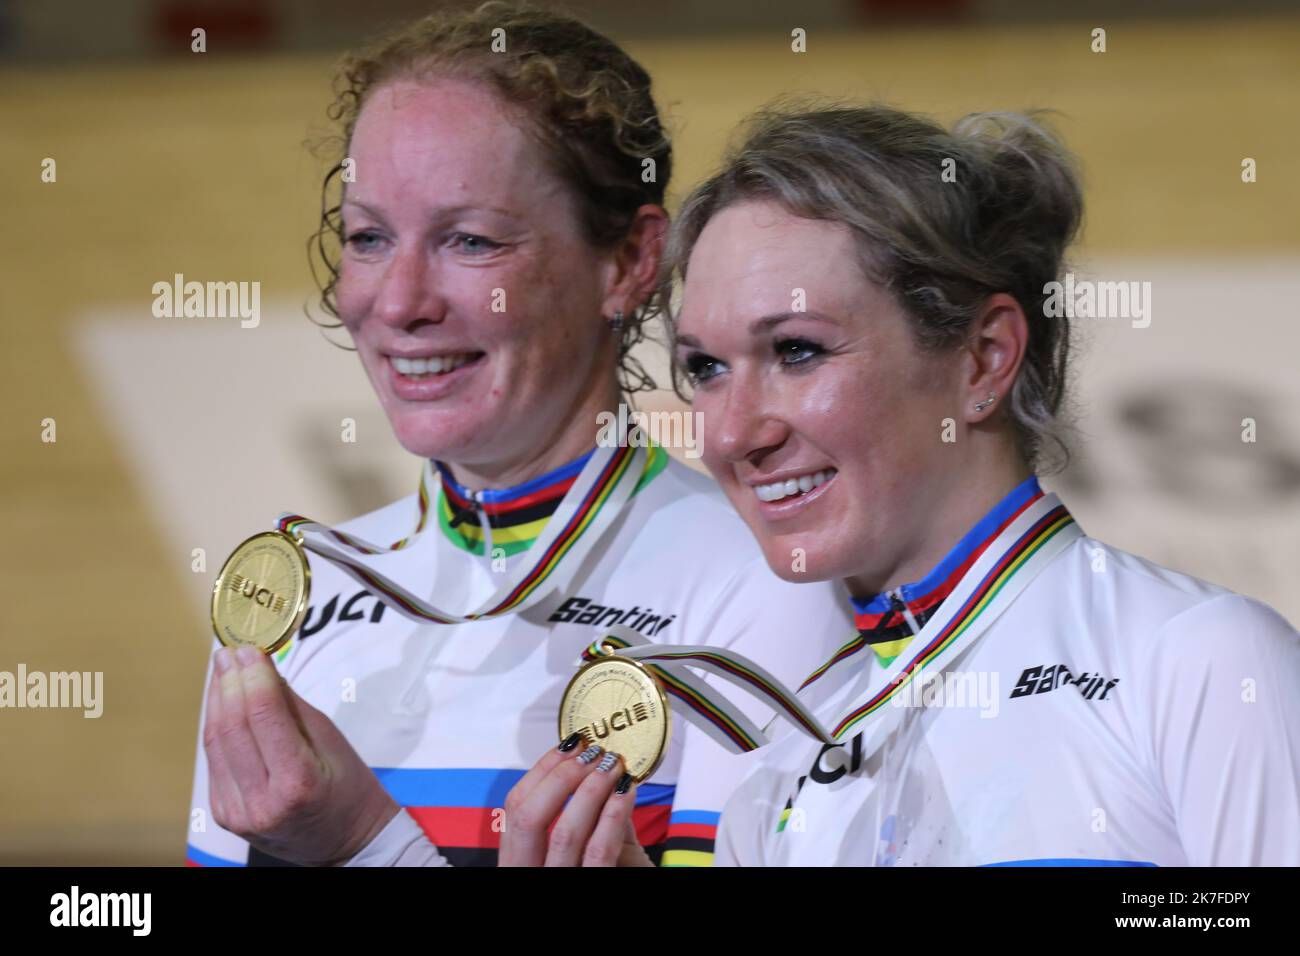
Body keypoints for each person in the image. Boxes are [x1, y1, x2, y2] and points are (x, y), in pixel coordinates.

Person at [510, 102, 1300, 866]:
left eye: (796, 351)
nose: (731, 433)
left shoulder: (1201, 661)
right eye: (706, 369)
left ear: (984, 357)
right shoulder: (774, 752)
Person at [184, 4, 851, 869]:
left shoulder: (764, 589)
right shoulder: (290, 603)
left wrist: (363, 845)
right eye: (369, 238)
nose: (400, 303)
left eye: (470, 240)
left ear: (628, 262)